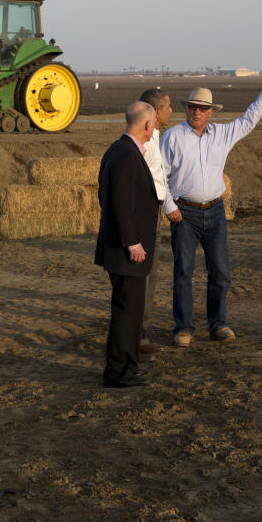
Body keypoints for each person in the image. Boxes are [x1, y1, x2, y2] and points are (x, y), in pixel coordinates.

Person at [161, 73, 262, 346]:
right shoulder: (172, 137)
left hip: (215, 212)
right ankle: (183, 328)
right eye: (192, 107)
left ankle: (218, 325)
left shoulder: (223, 134)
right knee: (183, 273)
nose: (196, 112)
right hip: (184, 213)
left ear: (210, 112)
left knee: (220, 272)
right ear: (187, 109)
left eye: (201, 108)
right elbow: (159, 175)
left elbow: (249, 120)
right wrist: (169, 206)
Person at [95, 101, 160, 388]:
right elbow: (121, 203)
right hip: (126, 253)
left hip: (122, 250)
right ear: (147, 125)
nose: (154, 127)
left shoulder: (120, 150)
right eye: (154, 122)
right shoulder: (126, 155)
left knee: (130, 312)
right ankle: (118, 372)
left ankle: (127, 368)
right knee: (126, 312)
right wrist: (133, 242)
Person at [137, 88, 173, 355]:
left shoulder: (156, 139)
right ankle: (139, 336)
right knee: (144, 277)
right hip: (145, 215)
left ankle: (141, 333)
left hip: (153, 212)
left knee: (149, 276)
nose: (172, 111)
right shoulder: (145, 144)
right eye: (169, 106)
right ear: (157, 111)